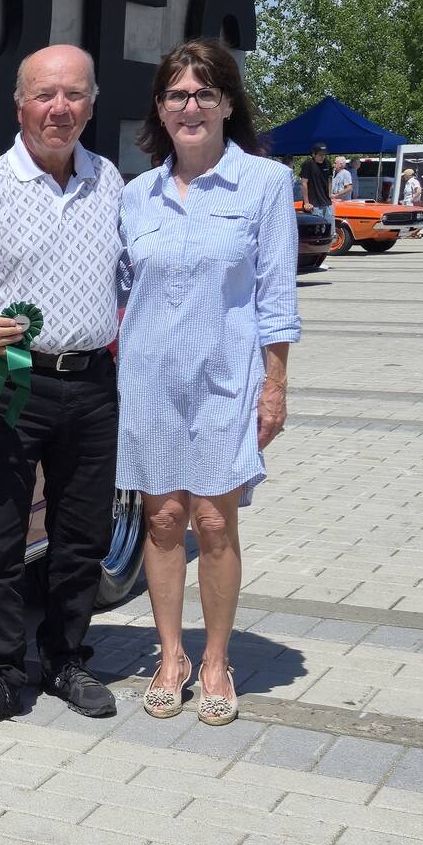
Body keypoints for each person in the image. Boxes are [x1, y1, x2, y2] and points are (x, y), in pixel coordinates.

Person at [0, 44, 126, 733]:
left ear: (92, 105)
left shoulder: (112, 183)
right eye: (45, 94)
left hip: (92, 383)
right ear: (20, 105)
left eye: (74, 94)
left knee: (82, 537)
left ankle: (67, 660)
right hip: (11, 376)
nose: (59, 108)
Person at [120, 38, 300, 727]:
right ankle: (171, 656)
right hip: (150, 383)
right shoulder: (136, 196)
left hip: (227, 379)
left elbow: (276, 295)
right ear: (160, 108)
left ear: (227, 103)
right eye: (176, 95)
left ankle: (217, 660)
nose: (189, 107)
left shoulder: (266, 184)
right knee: (164, 520)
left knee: (214, 522)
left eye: (204, 94)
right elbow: (119, 292)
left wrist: (274, 385)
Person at [298, 141, 332, 222]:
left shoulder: (327, 163)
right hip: (313, 204)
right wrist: (306, 202)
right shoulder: (308, 164)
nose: (322, 157)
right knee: (317, 228)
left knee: (330, 227)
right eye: (320, 155)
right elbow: (304, 183)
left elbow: (329, 179)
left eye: (324, 155)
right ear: (313, 154)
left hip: (327, 203)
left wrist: (330, 194)